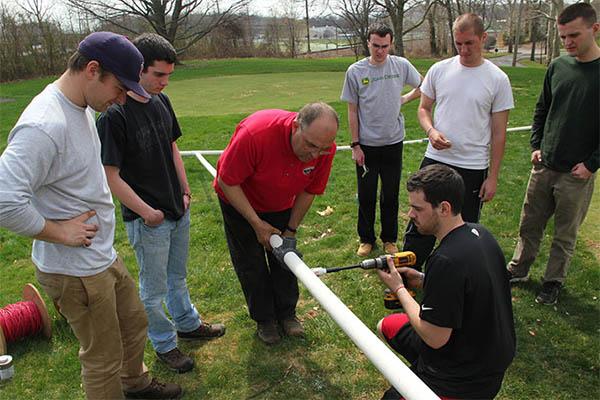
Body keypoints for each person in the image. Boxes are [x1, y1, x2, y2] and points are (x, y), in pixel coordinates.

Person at [0, 32, 181, 399]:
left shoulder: (80, 107)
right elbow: (4, 200)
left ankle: (136, 384)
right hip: (74, 269)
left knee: (133, 323)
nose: (121, 98)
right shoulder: (44, 124)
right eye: (118, 87)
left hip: (100, 256)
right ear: (93, 70)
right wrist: (59, 232)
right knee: (102, 356)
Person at [96, 33, 225, 374]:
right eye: (158, 75)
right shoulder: (113, 116)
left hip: (176, 208)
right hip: (147, 220)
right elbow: (111, 176)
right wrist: (146, 212)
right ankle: (164, 343)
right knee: (152, 291)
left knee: (177, 277)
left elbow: (172, 148)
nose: (165, 83)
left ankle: (187, 323)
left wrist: (184, 191)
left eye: (169, 75)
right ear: (138, 69)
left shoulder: (162, 102)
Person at [376, 164, 515, 399]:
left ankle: (429, 381)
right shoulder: (481, 234)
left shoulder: (446, 260)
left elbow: (435, 338)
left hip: (463, 378)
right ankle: (422, 371)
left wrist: (398, 288)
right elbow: (467, 288)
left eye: (417, 208)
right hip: (489, 358)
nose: (410, 215)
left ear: (444, 208)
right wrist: (422, 280)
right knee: (385, 326)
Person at [214, 103, 338, 345]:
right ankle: (265, 319)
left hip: (281, 202)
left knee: (285, 258)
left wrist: (290, 230)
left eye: (322, 149)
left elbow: (310, 190)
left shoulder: (324, 148)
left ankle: (287, 314)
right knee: (251, 261)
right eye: (311, 145)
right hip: (240, 200)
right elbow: (228, 181)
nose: (315, 154)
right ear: (295, 127)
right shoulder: (255, 134)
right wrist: (255, 223)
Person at [403, 13, 514, 270]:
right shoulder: (440, 70)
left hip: (472, 166)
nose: (463, 49)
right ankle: (408, 272)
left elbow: (499, 133)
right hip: (436, 159)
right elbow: (423, 109)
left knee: (461, 227)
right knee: (420, 217)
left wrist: (493, 177)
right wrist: (431, 131)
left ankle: (455, 274)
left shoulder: (497, 79)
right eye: (458, 43)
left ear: (483, 38)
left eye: (469, 43)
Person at [507, 3, 599, 305]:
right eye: (562, 37)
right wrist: (536, 145)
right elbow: (542, 108)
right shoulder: (558, 66)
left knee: (564, 235)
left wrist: (591, 165)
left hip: (577, 173)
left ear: (594, 29)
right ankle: (519, 270)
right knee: (529, 224)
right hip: (545, 164)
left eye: (574, 35)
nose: (568, 42)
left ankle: (552, 282)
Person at [341, 23, 422, 257]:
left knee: (391, 195)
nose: (379, 51)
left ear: (391, 44)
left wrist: (403, 99)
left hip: (393, 143)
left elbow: (423, 85)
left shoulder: (401, 65)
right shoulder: (355, 71)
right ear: (368, 43)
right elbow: (352, 111)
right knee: (366, 195)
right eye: (375, 45)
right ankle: (366, 239)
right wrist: (355, 144)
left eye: (384, 46)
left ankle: (389, 239)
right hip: (366, 146)